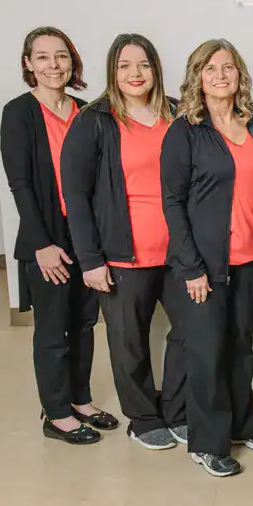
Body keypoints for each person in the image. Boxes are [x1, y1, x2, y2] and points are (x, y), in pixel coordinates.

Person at [161, 39, 253, 477]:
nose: (219, 75)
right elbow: (172, 203)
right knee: (208, 353)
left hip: (248, 259)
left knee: (240, 347)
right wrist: (191, 267)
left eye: (227, 67)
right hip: (203, 267)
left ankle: (241, 424)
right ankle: (207, 443)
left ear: (239, 75)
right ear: (198, 76)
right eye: (210, 68)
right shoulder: (185, 131)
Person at [61, 33, 188, 450]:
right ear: (113, 71)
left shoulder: (178, 113)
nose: (135, 74)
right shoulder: (94, 120)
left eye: (144, 65)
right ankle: (143, 417)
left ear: (156, 69)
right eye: (125, 66)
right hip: (122, 255)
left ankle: (177, 410)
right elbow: (75, 196)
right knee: (128, 342)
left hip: (179, 253)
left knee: (190, 333)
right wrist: (90, 259)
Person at [0, 26, 119, 444]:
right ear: (29, 64)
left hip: (84, 236)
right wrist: (41, 245)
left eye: (61, 56)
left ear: (73, 62)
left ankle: (80, 400)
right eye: (44, 57)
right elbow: (21, 184)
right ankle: (56, 414)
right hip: (45, 239)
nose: (54, 65)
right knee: (53, 329)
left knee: (85, 323)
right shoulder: (19, 113)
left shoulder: (87, 112)